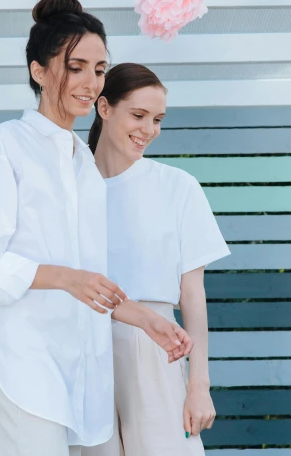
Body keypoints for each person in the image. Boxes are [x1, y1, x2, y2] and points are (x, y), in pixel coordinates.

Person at [0, 0, 193, 456]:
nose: (90, 83)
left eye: (99, 69)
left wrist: (147, 319)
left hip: (85, 371)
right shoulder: (4, 145)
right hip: (21, 365)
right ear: (39, 72)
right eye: (76, 67)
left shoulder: (83, 162)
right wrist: (67, 279)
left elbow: (92, 278)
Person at [83, 63, 231, 456]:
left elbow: (192, 298)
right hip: (81, 343)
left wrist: (199, 385)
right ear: (104, 108)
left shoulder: (177, 187)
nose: (149, 129)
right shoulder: (70, 184)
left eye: (158, 119)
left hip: (156, 347)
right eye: (138, 115)